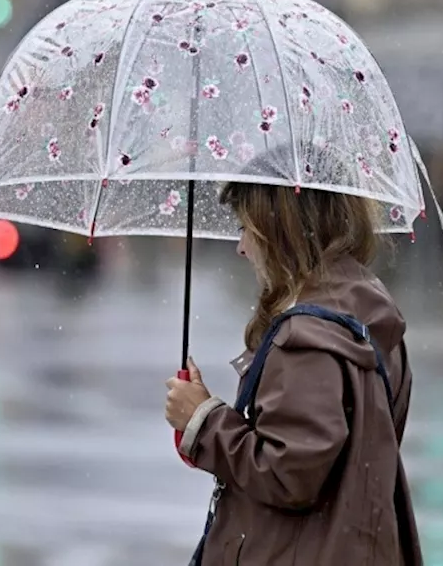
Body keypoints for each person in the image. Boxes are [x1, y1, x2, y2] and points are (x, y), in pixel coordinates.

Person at [164, 180, 423, 565]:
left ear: (277, 229)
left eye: (245, 229)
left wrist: (202, 420)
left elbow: (288, 474)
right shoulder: (369, 316)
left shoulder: (306, 339)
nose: (241, 248)